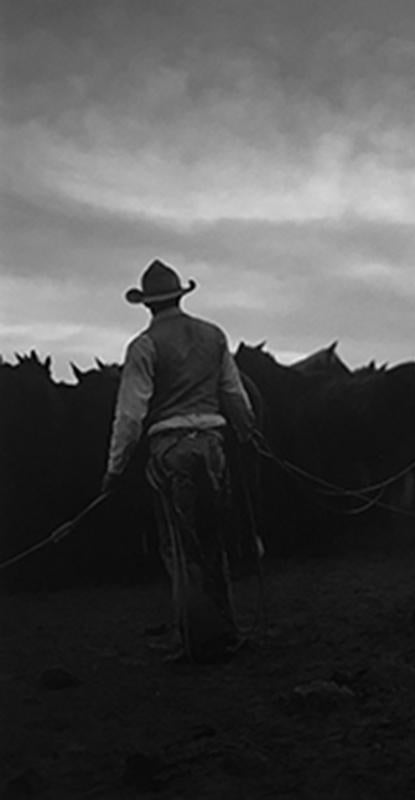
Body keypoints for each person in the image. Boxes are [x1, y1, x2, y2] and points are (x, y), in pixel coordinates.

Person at [102, 260, 258, 663]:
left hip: (170, 450)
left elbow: (131, 414)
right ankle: (226, 629)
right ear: (178, 296)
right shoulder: (213, 335)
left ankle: (193, 639)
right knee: (212, 539)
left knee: (178, 545)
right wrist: (247, 432)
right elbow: (235, 394)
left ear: (148, 304)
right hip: (213, 445)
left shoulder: (143, 346)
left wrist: (115, 469)